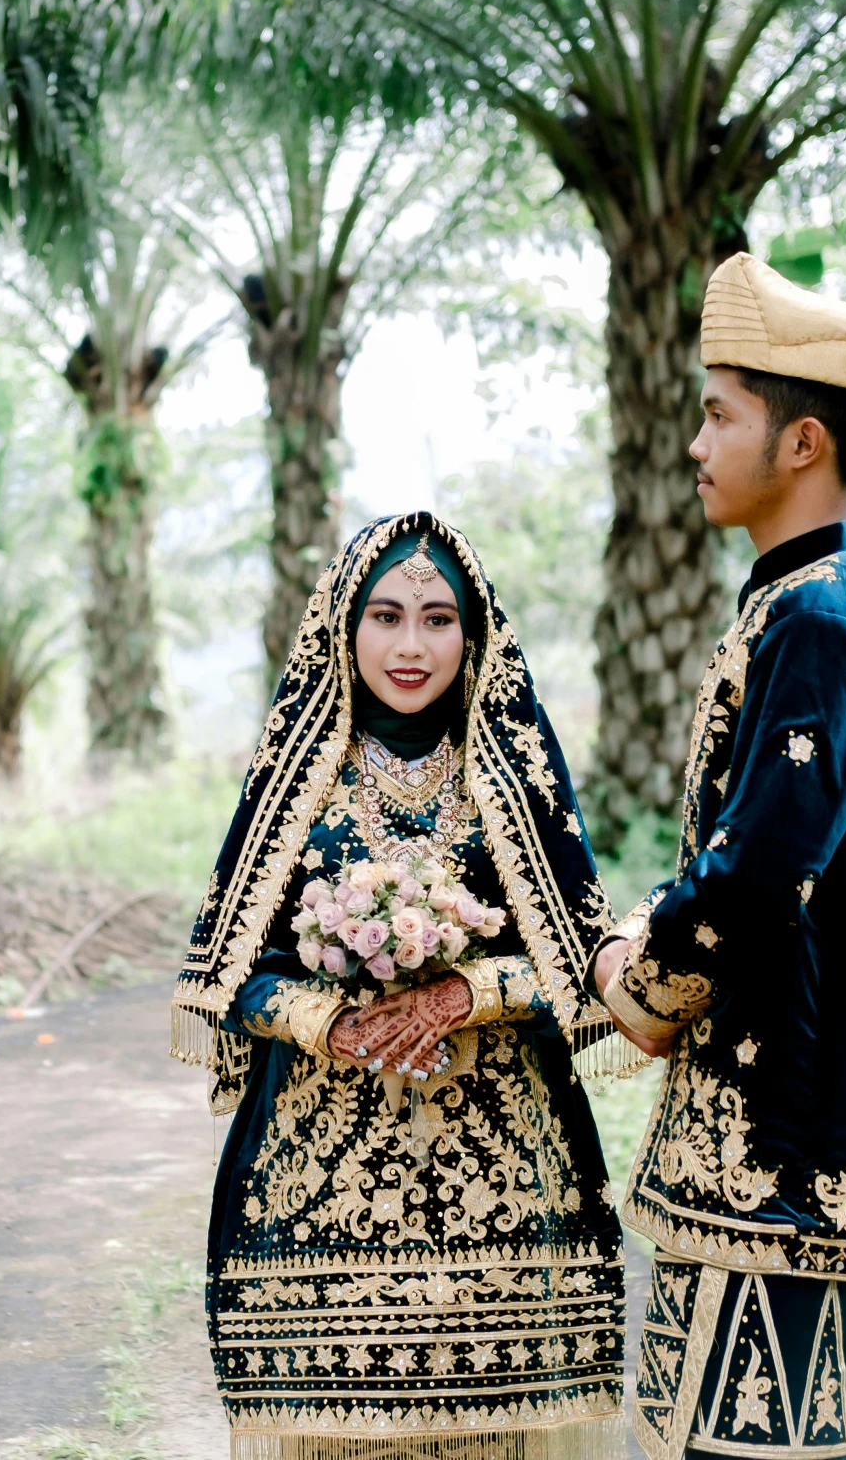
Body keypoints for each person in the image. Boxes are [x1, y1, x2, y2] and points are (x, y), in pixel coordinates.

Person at [589, 254, 846, 1460]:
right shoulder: (815, 598)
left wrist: (631, 981)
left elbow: (760, 872)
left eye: (720, 414)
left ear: (802, 441)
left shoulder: (823, 613)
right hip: (774, 1126)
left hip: (787, 1143)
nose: (696, 443)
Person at [171, 513, 637, 1460]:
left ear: (474, 636)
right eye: (385, 616)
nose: (411, 645)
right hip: (317, 1204)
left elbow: (577, 967)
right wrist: (331, 1021)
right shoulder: (297, 777)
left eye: (437, 618)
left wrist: (466, 992)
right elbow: (233, 977)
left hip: (506, 1203)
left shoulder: (514, 773)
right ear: (344, 629)